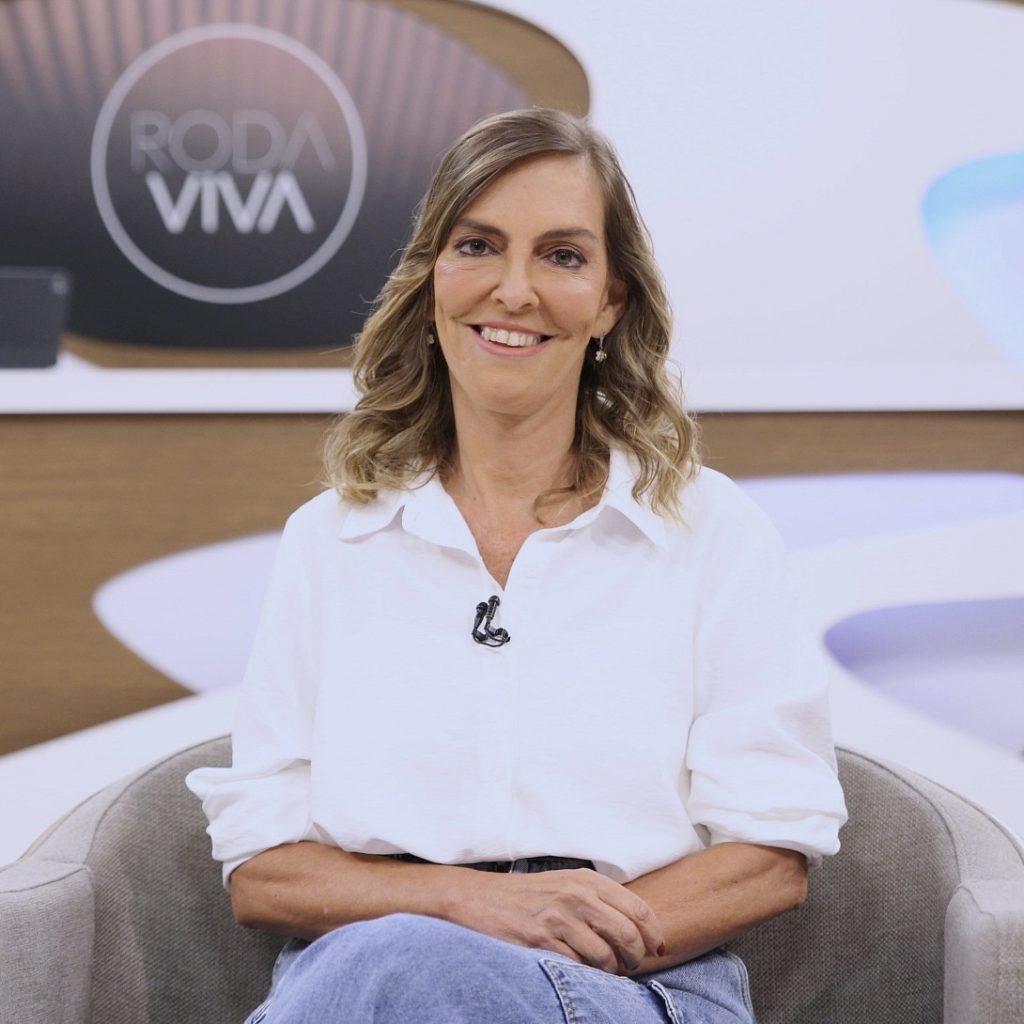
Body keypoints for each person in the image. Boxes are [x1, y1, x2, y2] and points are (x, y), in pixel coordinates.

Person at [187, 107, 847, 1023]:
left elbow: (770, 858)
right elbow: (263, 873)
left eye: (562, 256)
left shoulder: (712, 531)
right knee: (401, 965)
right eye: (478, 246)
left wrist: (539, 942)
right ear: (432, 280)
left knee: (412, 971)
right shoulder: (329, 541)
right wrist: (467, 906)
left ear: (611, 302)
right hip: (365, 978)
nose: (514, 290)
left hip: (635, 983)